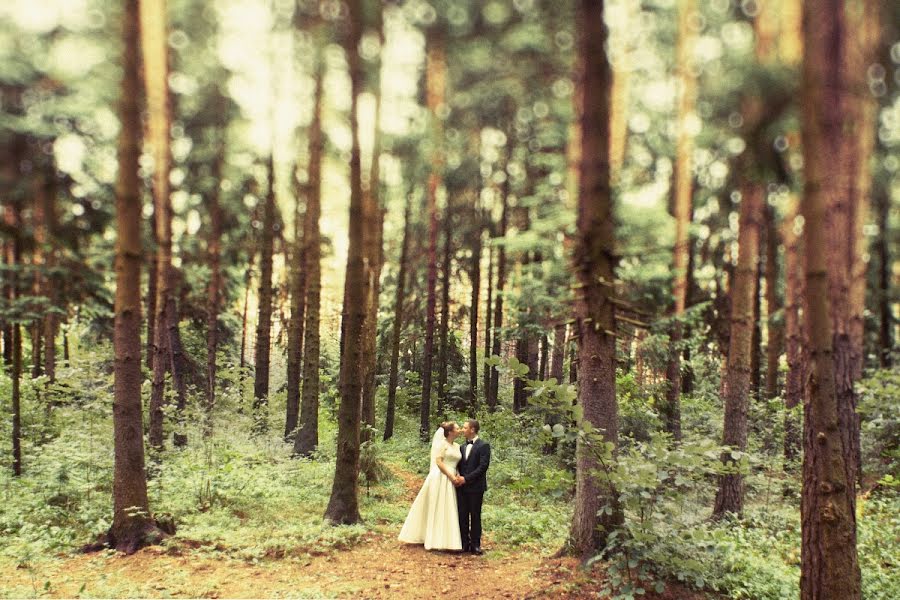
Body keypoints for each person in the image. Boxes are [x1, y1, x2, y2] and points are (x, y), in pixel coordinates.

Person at [398, 422, 464, 551]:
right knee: (438, 504)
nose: (459, 430)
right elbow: (438, 461)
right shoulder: (442, 444)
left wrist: (458, 476)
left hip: (453, 475)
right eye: (457, 428)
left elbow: (457, 463)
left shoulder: (457, 446)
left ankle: (447, 539)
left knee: (448, 506)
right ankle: (433, 538)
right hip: (442, 476)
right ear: (450, 432)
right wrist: (451, 476)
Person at [456, 418, 490, 555]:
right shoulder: (461, 447)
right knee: (462, 515)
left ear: (472, 430)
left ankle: (476, 545)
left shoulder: (484, 446)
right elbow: (459, 465)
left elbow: (483, 467)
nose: (463, 430)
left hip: (476, 487)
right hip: (462, 488)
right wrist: (458, 478)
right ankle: (464, 543)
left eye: (465, 428)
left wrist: (466, 479)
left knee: (475, 516)